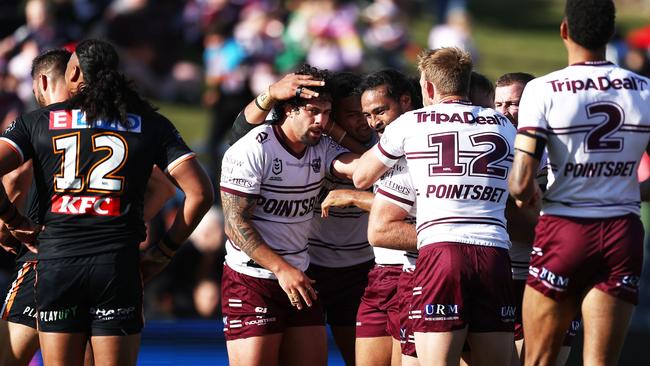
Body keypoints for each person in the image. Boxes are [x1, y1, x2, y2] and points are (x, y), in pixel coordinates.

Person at [0, 39, 213, 366]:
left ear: (72, 73)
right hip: (117, 267)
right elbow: (200, 193)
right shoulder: (150, 124)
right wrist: (165, 251)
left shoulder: (38, 122)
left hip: (57, 265)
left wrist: (14, 220)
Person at [353, 47, 517, 366]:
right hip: (494, 252)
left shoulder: (411, 123)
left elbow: (361, 177)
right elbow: (528, 180)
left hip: (441, 252)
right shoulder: (502, 124)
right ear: (466, 85)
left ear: (428, 88)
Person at [508, 0, 650, 365]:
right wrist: (628, 190)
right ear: (610, 34)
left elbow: (522, 181)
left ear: (564, 30)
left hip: (565, 229)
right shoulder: (644, 89)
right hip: (622, 231)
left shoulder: (543, 89)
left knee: (539, 358)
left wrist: (530, 200)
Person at [219, 64, 358, 366]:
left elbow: (361, 167)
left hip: (299, 277)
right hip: (254, 280)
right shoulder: (253, 149)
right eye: (313, 111)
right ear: (288, 110)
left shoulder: (321, 147)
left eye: (327, 112)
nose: (322, 120)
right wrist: (282, 270)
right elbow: (234, 224)